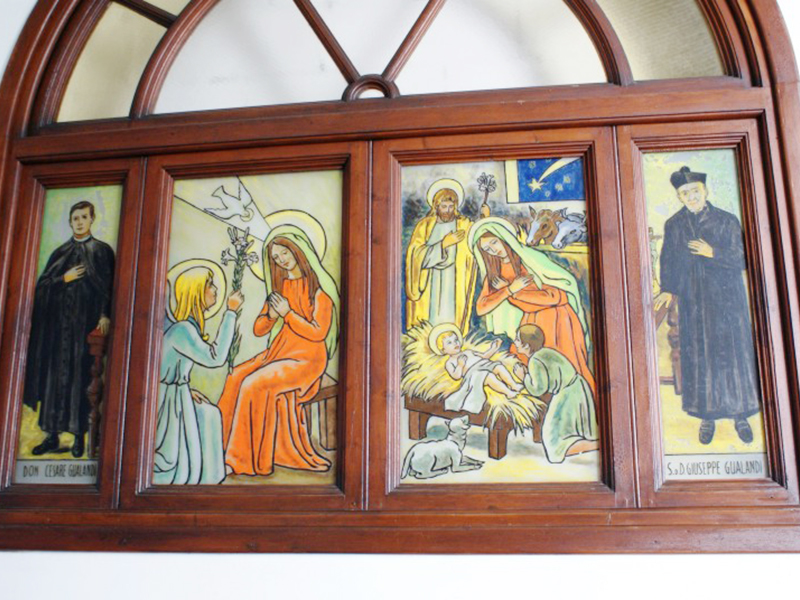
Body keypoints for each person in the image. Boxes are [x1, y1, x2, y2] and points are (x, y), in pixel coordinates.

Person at [218, 225, 340, 477]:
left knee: (253, 384)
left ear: (297, 251)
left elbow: (318, 333)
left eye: (284, 252)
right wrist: (272, 315)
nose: (281, 260)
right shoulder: (280, 289)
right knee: (235, 376)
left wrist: (288, 314)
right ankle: (218, 447)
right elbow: (259, 329)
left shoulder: (319, 293)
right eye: (275, 257)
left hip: (306, 359)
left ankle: (241, 460)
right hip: (279, 352)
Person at [654, 166, 760, 444]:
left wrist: (713, 252)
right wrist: (668, 288)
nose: (691, 197)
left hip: (728, 302)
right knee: (700, 356)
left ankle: (740, 415)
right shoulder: (675, 224)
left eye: (694, 191)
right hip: (695, 301)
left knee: (732, 355)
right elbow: (668, 260)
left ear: (705, 191)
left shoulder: (727, 220)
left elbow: (743, 257)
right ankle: (706, 417)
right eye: (684, 193)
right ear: (679, 197)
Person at [23, 200, 115, 458]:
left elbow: (108, 287)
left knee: (80, 382)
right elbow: (42, 288)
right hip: (58, 331)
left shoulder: (101, 251)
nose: (80, 222)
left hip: (83, 330)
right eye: (75, 218)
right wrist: (64, 278)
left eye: (84, 217)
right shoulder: (60, 252)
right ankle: (51, 436)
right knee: (54, 383)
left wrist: (105, 314)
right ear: (70, 222)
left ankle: (78, 438)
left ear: (92, 219)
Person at [470, 217, 595, 394]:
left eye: (494, 242)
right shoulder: (495, 272)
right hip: (530, 323)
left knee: (565, 371)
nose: (493, 250)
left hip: (556, 319)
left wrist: (515, 292)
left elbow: (556, 296)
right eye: (487, 249)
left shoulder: (529, 259)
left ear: (504, 237)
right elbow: (481, 307)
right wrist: (508, 290)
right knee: (530, 372)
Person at [153, 266, 243, 485]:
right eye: (209, 285)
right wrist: (230, 313)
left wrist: (185, 388)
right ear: (196, 292)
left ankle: (213, 473)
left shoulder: (185, 327)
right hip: (167, 403)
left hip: (178, 393)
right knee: (205, 416)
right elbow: (215, 357)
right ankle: (201, 473)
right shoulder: (182, 330)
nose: (215, 290)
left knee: (209, 412)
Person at [512, 324, 598, 463]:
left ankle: (593, 446)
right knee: (571, 431)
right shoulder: (545, 352)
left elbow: (538, 389)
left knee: (553, 439)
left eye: (517, 339)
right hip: (578, 387)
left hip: (569, 394)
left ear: (526, 345)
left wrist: (523, 377)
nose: (514, 342)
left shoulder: (535, 360)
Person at [405, 179, 476, 332]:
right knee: (430, 321)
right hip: (430, 281)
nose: (447, 211)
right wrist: (443, 244)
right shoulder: (424, 226)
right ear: (436, 206)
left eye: (451, 206)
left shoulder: (464, 225)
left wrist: (484, 218)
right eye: (444, 206)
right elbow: (415, 256)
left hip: (455, 280)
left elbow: (477, 238)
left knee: (451, 316)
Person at [429, 323, 522, 414]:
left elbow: (484, 356)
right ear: (443, 350)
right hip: (474, 373)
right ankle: (508, 392)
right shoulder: (450, 362)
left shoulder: (468, 352)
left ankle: (513, 385)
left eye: (456, 340)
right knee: (489, 376)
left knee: (498, 366)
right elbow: (456, 376)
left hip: (483, 364)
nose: (455, 343)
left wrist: (493, 348)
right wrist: (460, 365)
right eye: (449, 343)